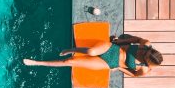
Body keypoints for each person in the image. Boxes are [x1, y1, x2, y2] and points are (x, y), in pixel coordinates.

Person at [22, 34, 163, 77]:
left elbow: (133, 74)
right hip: (113, 49)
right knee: (90, 51)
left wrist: (119, 68)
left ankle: (37, 63)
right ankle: (70, 48)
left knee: (70, 62)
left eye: (146, 58)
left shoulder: (144, 69)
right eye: (147, 53)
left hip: (110, 64)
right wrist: (117, 41)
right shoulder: (145, 44)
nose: (144, 53)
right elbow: (133, 40)